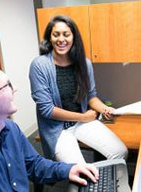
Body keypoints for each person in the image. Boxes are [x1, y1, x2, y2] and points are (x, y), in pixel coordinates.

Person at [0, 62, 99, 191]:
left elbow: (33, 164)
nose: (15, 89)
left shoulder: (9, 128)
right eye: (7, 85)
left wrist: (68, 170)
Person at [29, 15, 128, 164]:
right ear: (49, 38)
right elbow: (47, 110)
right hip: (58, 129)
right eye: (56, 35)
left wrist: (104, 109)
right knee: (81, 172)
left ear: (73, 37)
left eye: (66, 34)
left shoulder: (84, 63)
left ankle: (109, 184)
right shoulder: (39, 65)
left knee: (121, 153)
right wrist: (83, 117)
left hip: (82, 122)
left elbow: (91, 96)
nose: (61, 39)